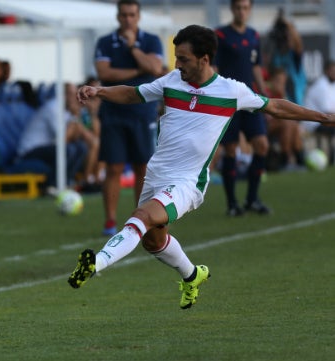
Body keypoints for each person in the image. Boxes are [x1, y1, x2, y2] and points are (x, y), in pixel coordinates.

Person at [68, 24, 335, 310]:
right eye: (176, 57)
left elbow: (275, 107)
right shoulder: (172, 82)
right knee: (152, 241)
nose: (176, 64)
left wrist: (322, 116)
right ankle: (193, 275)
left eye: (183, 58)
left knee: (141, 217)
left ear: (203, 59)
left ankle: (96, 263)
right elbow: (134, 93)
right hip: (156, 175)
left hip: (187, 182)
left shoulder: (231, 91)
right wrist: (99, 91)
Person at [94, 0, 163, 236]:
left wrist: (134, 48)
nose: (128, 19)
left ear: (138, 16)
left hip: (142, 113)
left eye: (132, 15)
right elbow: (104, 73)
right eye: (124, 15)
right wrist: (137, 71)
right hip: (113, 113)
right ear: (118, 16)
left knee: (142, 167)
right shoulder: (105, 42)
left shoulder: (151, 40)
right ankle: (110, 221)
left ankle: (140, 219)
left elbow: (155, 68)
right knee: (113, 167)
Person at [215, 0, 271, 216]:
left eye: (245, 7)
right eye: (238, 7)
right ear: (232, 9)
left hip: (249, 100)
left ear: (250, 9)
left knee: (262, 145)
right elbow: (215, 68)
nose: (241, 11)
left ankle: (252, 199)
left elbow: (255, 66)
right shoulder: (221, 36)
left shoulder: (254, 36)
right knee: (230, 150)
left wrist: (264, 91)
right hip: (228, 100)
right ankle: (232, 204)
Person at [17, 82, 94, 188]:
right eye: (72, 94)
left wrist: (80, 117)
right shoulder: (53, 108)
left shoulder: (68, 110)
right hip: (30, 150)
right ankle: (52, 185)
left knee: (81, 147)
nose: (76, 97)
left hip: (48, 147)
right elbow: (63, 139)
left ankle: (67, 182)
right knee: (68, 150)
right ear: (64, 95)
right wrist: (75, 117)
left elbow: (78, 138)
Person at [304, 59, 335, 165]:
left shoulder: (331, 85)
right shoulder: (321, 86)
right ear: (326, 71)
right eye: (332, 70)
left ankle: (331, 159)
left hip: (324, 119)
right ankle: (331, 160)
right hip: (313, 122)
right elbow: (328, 111)